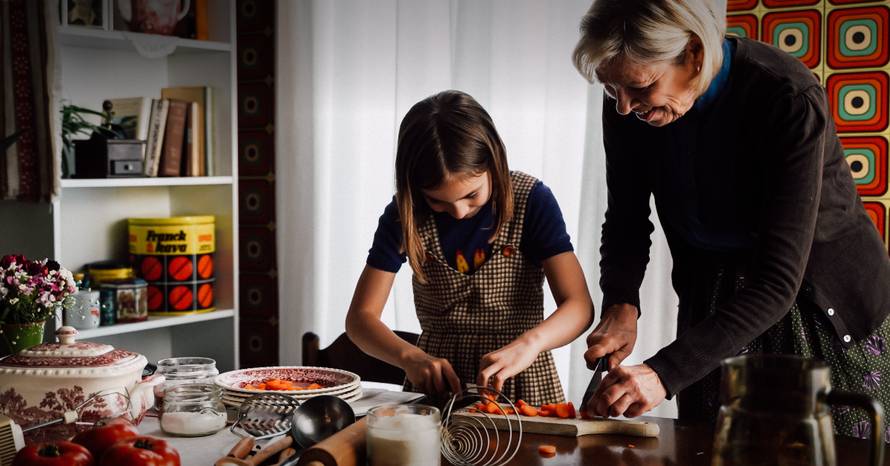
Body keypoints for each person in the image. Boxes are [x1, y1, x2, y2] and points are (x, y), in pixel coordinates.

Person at [573, 0, 890, 438]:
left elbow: (779, 281)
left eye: (641, 87)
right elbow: (627, 217)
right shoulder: (631, 102)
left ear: (694, 55)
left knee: (819, 445)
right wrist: (621, 302)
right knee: (714, 444)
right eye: (612, 90)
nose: (625, 108)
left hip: (814, 299)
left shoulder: (786, 95)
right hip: (717, 293)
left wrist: (663, 372)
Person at [345, 90, 594, 405]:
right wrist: (409, 356)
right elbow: (360, 318)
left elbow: (579, 306)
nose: (459, 212)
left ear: (494, 163)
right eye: (437, 201)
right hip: (438, 385)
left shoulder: (532, 201)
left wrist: (531, 343)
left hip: (522, 380)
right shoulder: (405, 214)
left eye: (472, 195)